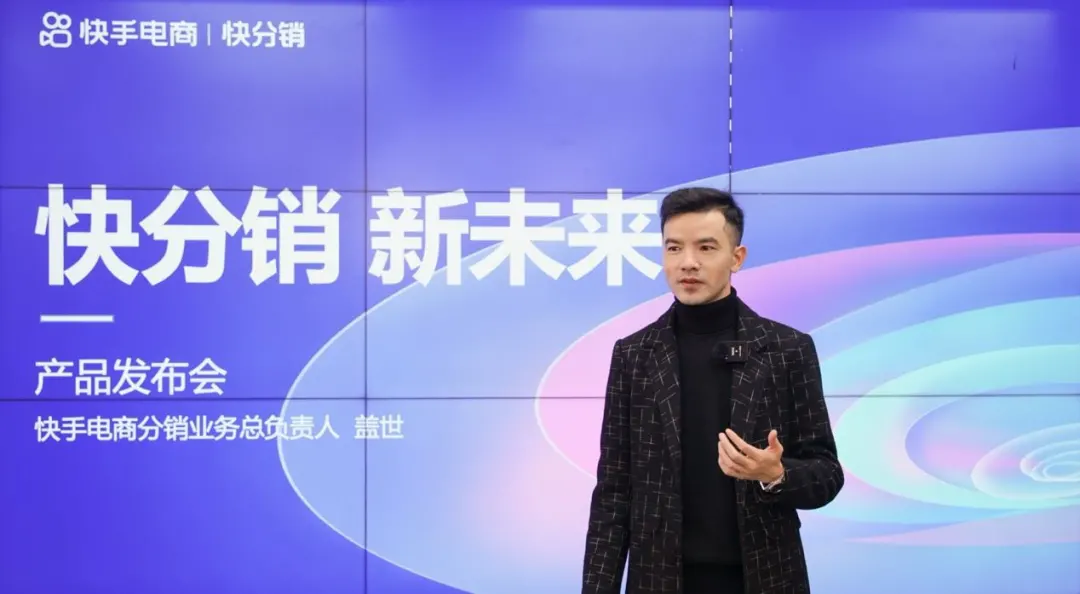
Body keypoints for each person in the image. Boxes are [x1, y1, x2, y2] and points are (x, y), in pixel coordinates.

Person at [580, 187, 844, 594]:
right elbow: (614, 491)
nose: (688, 262)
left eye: (706, 248)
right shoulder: (634, 355)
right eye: (674, 248)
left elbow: (827, 474)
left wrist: (776, 474)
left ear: (736, 258)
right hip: (659, 580)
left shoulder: (787, 350)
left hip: (764, 577)